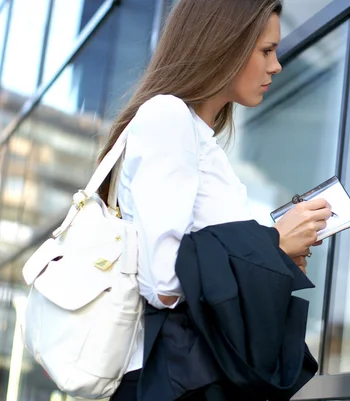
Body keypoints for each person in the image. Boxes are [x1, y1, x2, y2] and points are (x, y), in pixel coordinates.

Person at [96, 1, 331, 399]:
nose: (276, 66)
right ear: (225, 44)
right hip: (173, 378)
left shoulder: (201, 138)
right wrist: (271, 244)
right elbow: (165, 283)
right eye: (265, 51)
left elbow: (202, 266)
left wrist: (275, 257)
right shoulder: (168, 117)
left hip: (189, 376)